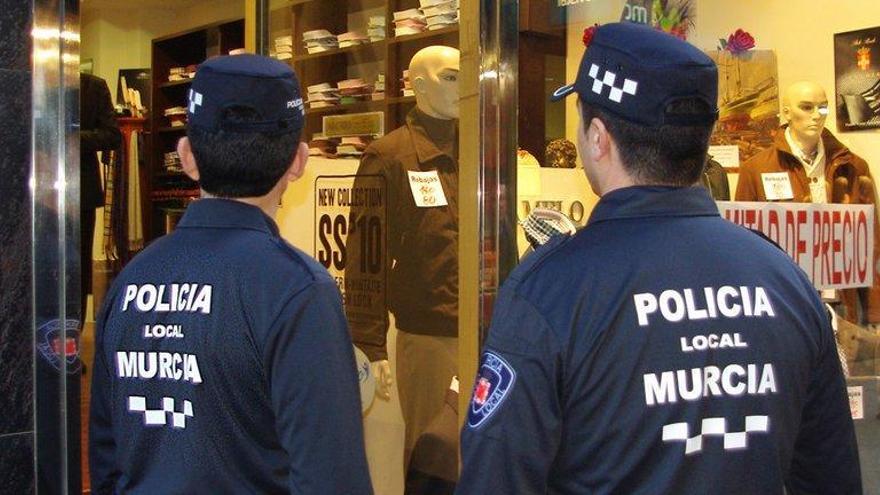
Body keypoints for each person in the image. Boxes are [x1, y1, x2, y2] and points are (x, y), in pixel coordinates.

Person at [457, 23, 861, 495]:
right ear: (702, 139)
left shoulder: (549, 292)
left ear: (598, 138)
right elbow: (831, 476)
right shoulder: (784, 280)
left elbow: (496, 478)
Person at [89, 54, 372, 494]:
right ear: (298, 162)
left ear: (186, 157)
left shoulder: (131, 279)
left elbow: (106, 461)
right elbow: (332, 477)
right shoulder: (297, 291)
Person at [345, 46, 461, 474]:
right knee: (434, 459)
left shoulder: (482, 152)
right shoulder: (389, 156)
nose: (463, 86)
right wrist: (370, 342)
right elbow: (365, 255)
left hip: (485, 331)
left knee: (483, 456)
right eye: (451, 77)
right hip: (429, 338)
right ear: (418, 85)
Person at [735, 81, 880, 327]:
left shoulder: (854, 167)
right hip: (783, 299)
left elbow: (872, 242)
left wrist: (875, 312)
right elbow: (743, 245)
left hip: (841, 299)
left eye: (822, 108)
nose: (816, 116)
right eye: (807, 107)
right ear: (787, 112)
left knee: (842, 364)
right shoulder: (756, 169)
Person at [80, 72, 122, 315]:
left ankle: (72, 333)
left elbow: (112, 135)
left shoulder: (92, 86)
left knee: (80, 264)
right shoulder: (31, 81)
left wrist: (71, 136)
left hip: (82, 189)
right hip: (35, 190)